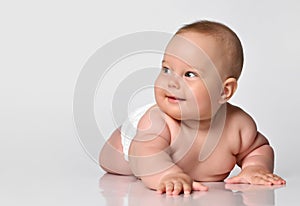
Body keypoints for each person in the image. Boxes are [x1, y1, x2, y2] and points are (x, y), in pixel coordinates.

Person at [99, 20, 286, 196]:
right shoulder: (158, 121)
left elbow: (258, 148)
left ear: (224, 91)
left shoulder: (238, 125)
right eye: (166, 69)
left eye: (189, 74)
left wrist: (255, 167)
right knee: (110, 159)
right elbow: (144, 155)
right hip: (131, 142)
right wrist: (166, 175)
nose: (171, 82)